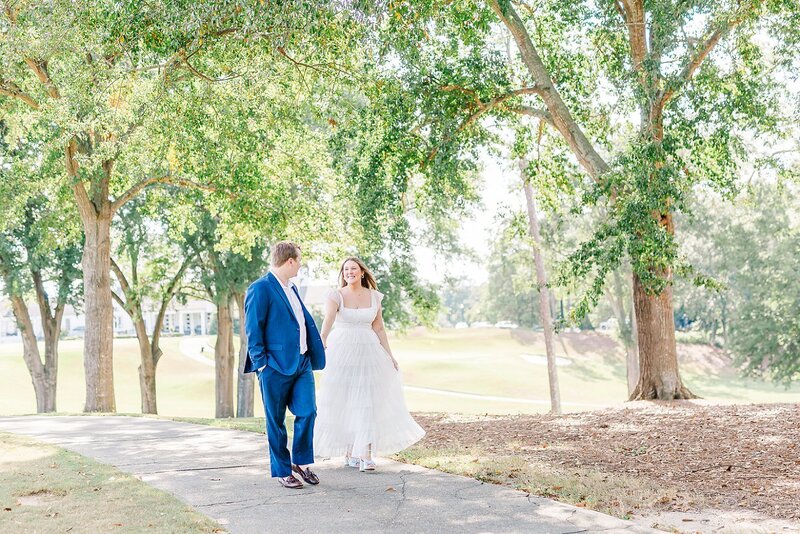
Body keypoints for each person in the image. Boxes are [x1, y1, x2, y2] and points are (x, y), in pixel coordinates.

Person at [314, 257, 425, 471]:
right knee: (346, 400)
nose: (349, 272)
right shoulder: (335, 295)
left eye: (353, 268)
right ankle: (350, 451)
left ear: (362, 272)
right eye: (346, 269)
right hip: (342, 353)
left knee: (367, 400)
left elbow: (379, 328)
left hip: (369, 351)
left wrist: (389, 355)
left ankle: (365, 453)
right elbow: (327, 322)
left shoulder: (374, 296)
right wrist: (322, 343)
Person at [244, 241, 326, 489]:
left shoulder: (292, 288)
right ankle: (282, 470)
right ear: (289, 261)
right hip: (274, 367)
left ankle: (301, 463)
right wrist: (262, 365)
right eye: (299, 260)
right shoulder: (260, 288)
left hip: (302, 363)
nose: (301, 265)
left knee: (308, 411)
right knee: (276, 421)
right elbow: (253, 329)